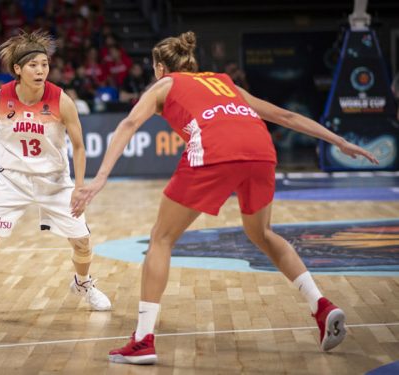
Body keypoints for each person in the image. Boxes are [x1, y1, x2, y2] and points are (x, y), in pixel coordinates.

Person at [72, 31, 379, 365]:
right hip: (261, 152)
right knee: (262, 233)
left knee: (161, 238)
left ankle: (143, 340)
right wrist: (339, 141)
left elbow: (129, 123)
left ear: (159, 67)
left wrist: (99, 178)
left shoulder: (163, 85)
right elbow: (285, 117)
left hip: (215, 151)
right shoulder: (224, 81)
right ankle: (321, 306)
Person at [0, 30, 111, 319]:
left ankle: (83, 283)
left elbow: (79, 146)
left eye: (44, 64)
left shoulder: (61, 100)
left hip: (54, 181)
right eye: (33, 65)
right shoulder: (0, 97)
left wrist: (79, 187)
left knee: (81, 242)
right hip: (12, 179)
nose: (41, 70)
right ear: (18, 69)